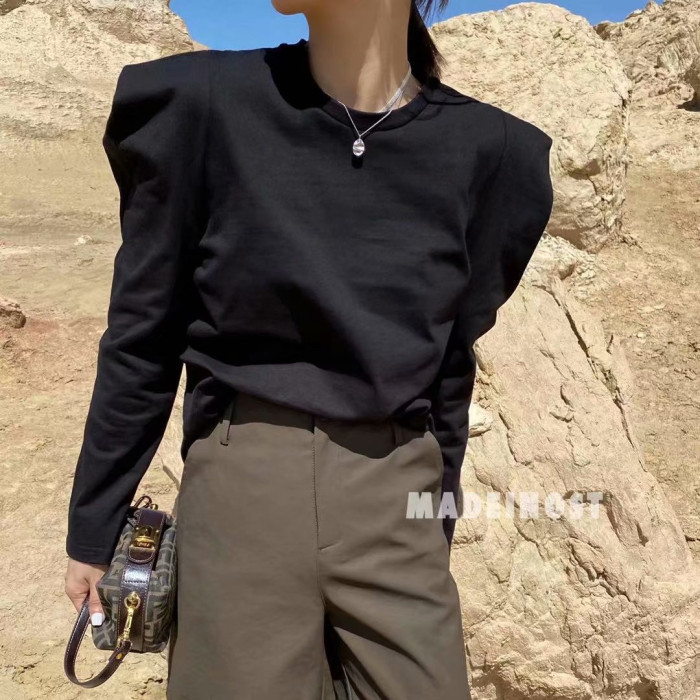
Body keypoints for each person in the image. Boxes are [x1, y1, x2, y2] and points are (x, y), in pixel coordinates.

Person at [63, 0, 554, 697]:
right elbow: (145, 332)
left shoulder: (492, 152)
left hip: (400, 495)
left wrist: (433, 521)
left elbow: (451, 363)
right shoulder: (204, 105)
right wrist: (95, 527)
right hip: (242, 496)